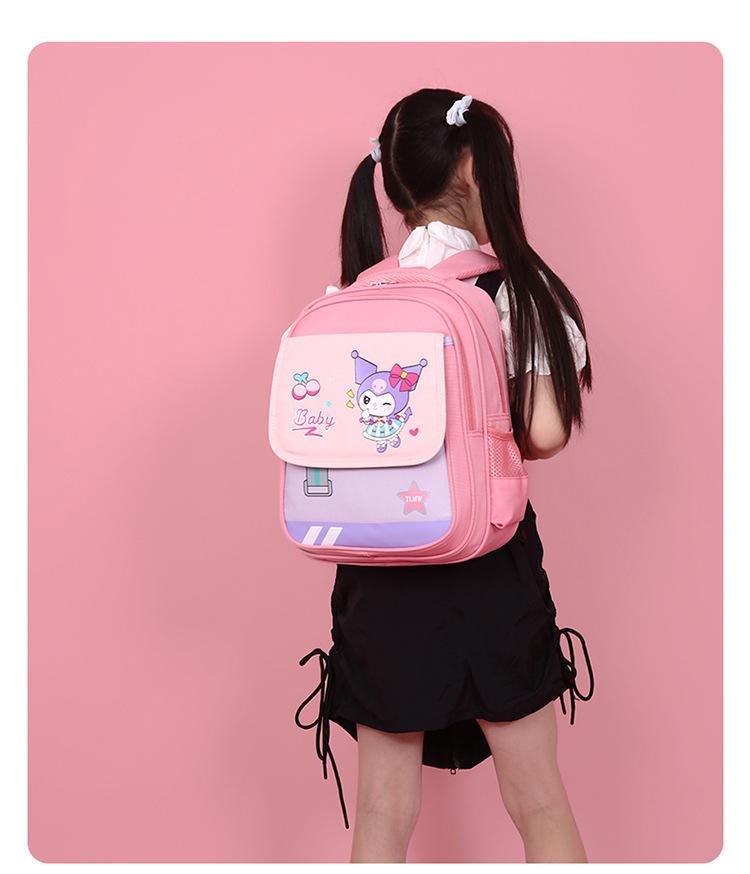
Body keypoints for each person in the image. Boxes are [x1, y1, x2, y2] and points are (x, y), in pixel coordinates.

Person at [294, 88, 595, 863]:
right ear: (469, 169)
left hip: (378, 575)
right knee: (538, 803)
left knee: (382, 814)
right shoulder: (511, 290)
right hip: (488, 567)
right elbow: (545, 431)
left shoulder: (355, 294)